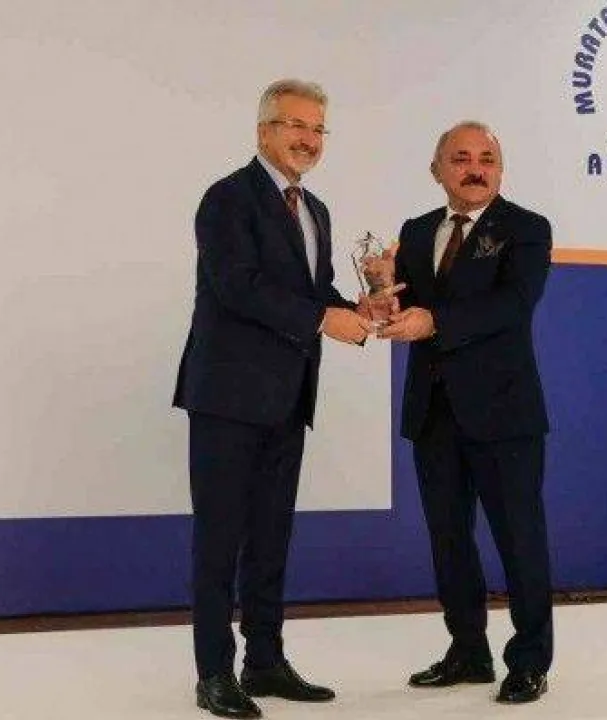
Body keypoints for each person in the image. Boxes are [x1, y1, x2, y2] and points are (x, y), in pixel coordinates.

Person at [173, 79, 371, 719]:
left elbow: (314, 294)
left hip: (288, 398)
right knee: (219, 540)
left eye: (318, 129)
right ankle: (213, 674)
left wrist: (362, 310)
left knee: (270, 538)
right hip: (228, 398)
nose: (308, 139)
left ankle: (264, 661)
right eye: (295, 125)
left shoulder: (316, 211)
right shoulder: (227, 199)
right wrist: (322, 320)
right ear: (264, 131)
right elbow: (239, 287)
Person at [379, 121, 555, 704]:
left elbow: (513, 305)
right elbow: (406, 306)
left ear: (500, 171)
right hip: (433, 412)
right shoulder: (416, 230)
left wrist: (434, 321)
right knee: (449, 540)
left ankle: (529, 661)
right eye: (460, 158)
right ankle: (468, 651)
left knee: (519, 539)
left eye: (486, 159)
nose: (474, 169)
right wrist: (383, 292)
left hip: (505, 415)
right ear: (436, 170)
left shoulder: (526, 229)